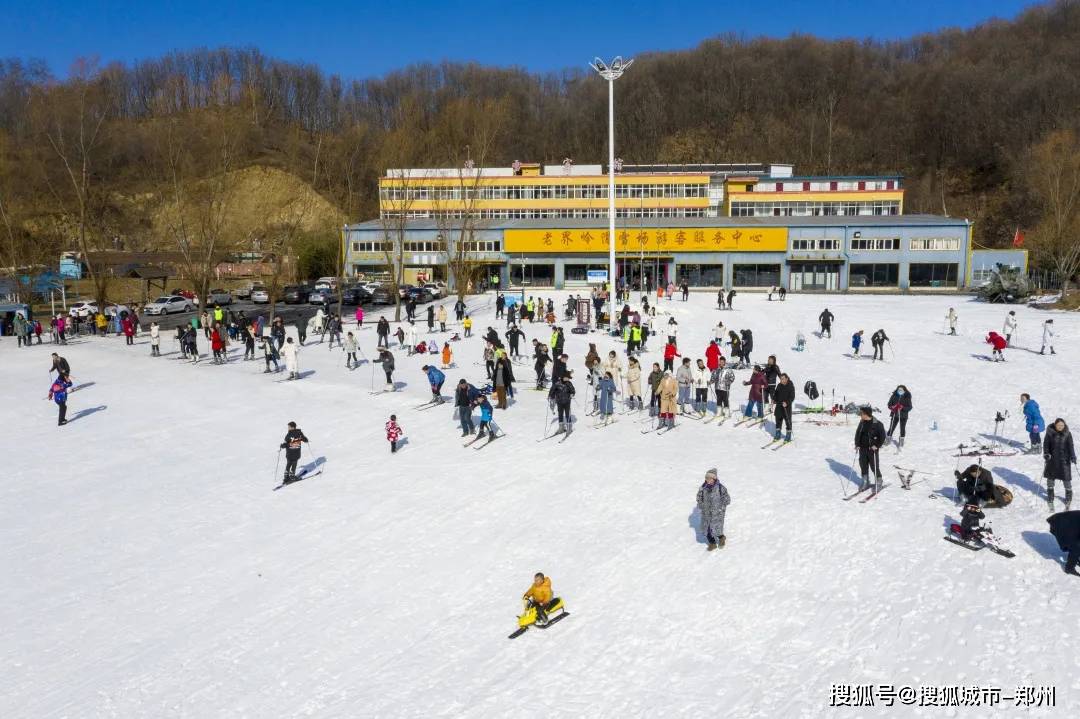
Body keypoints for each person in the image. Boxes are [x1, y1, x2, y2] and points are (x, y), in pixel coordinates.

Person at [1044, 418, 1075, 511]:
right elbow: (1046, 444)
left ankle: (1068, 498)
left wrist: (1073, 456)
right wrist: (1046, 454)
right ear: (1055, 425)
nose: (1060, 427)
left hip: (1064, 460)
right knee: (1050, 480)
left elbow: (1071, 446)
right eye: (1058, 425)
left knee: (1067, 480)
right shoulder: (1050, 433)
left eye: (1062, 425)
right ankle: (1050, 497)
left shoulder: (1067, 433)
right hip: (1052, 460)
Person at [697, 468, 731, 551]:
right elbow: (699, 497)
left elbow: (727, 499)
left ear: (714, 478)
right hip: (706, 513)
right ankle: (712, 543)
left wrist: (721, 508)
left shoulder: (720, 488)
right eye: (706, 478)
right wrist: (701, 505)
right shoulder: (703, 487)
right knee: (707, 530)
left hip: (717, 514)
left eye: (709, 478)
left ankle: (722, 538)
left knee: (717, 529)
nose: (707, 480)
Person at [854, 406, 886, 490]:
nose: (860, 414)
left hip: (872, 449)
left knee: (874, 466)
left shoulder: (878, 424)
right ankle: (865, 481)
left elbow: (882, 437)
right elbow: (858, 434)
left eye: (862, 413)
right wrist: (857, 444)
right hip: (862, 448)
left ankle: (879, 481)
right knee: (863, 465)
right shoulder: (862, 422)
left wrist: (877, 445)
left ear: (866, 414)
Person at [1046, 510, 1080, 576]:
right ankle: (1069, 568)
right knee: (1076, 548)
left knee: (1075, 545)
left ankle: (1075, 559)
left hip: (1067, 523)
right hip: (1060, 524)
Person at [772, 373, 795, 442]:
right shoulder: (779, 385)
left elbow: (792, 397)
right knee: (778, 420)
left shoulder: (790, 386)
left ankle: (788, 435)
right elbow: (776, 394)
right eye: (780, 379)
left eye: (783, 379)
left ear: (786, 379)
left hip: (786, 407)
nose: (781, 380)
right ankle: (778, 434)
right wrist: (773, 399)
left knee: (788, 421)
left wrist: (787, 402)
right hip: (779, 405)